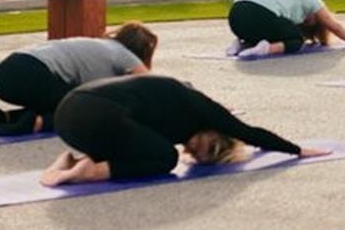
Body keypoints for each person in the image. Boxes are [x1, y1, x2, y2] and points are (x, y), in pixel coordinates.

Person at [40, 74, 328, 185]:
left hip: (70, 118)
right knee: (165, 158)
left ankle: (74, 161)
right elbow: (249, 133)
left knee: (143, 147)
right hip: (92, 114)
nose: (200, 154)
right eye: (213, 148)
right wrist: (298, 150)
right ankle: (86, 172)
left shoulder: (174, 113)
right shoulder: (203, 109)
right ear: (217, 131)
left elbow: (252, 142)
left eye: (207, 159)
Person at [0, 23, 159, 137]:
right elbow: (151, 87)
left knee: (63, 99)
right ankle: (35, 123)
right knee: (83, 113)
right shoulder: (125, 55)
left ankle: (3, 117)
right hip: (33, 73)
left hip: (5, 72)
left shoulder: (98, 45)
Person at [228, 0, 345, 56]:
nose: (304, 21)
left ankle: (242, 43)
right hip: (260, 12)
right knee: (296, 40)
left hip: (235, 15)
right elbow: (331, 23)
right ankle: (264, 49)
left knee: (273, 32)